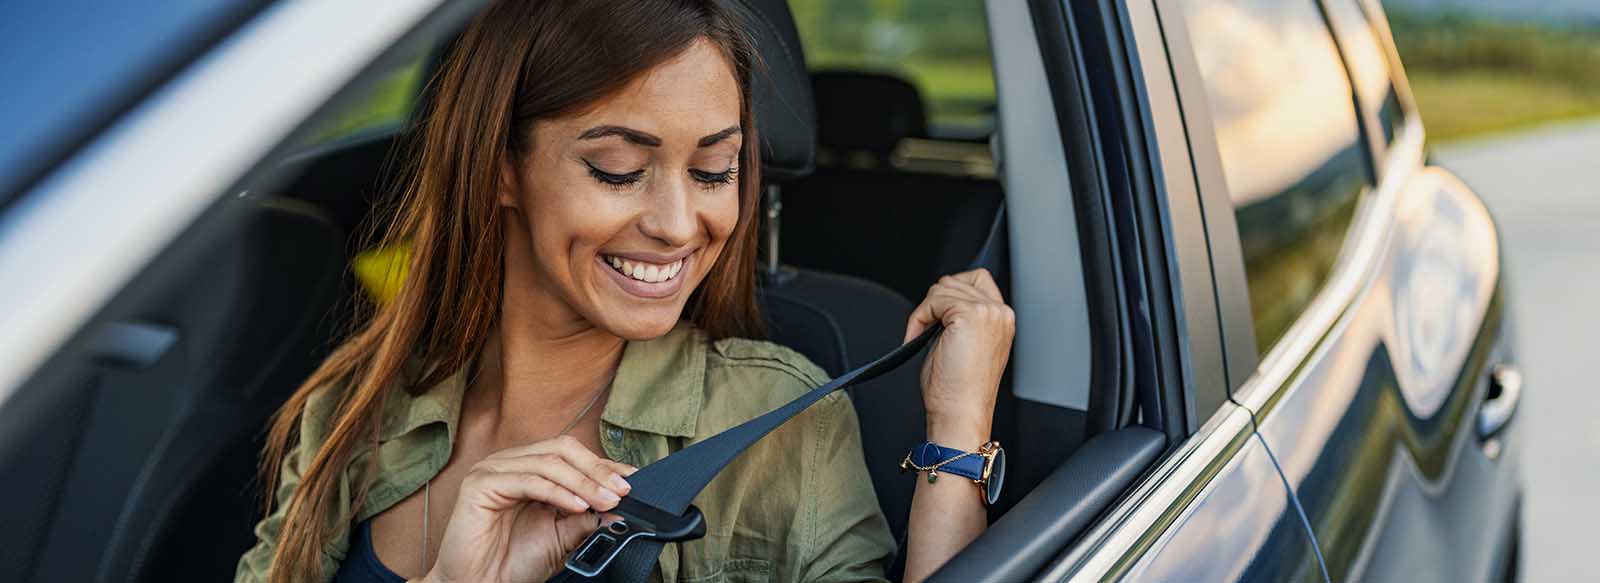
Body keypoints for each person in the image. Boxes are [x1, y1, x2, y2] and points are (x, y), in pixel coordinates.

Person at [235, 1, 1013, 581]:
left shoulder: (777, 423)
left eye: (714, 171)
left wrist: (956, 432)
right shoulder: (350, 412)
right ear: (501, 167)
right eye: (616, 169)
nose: (679, 224)